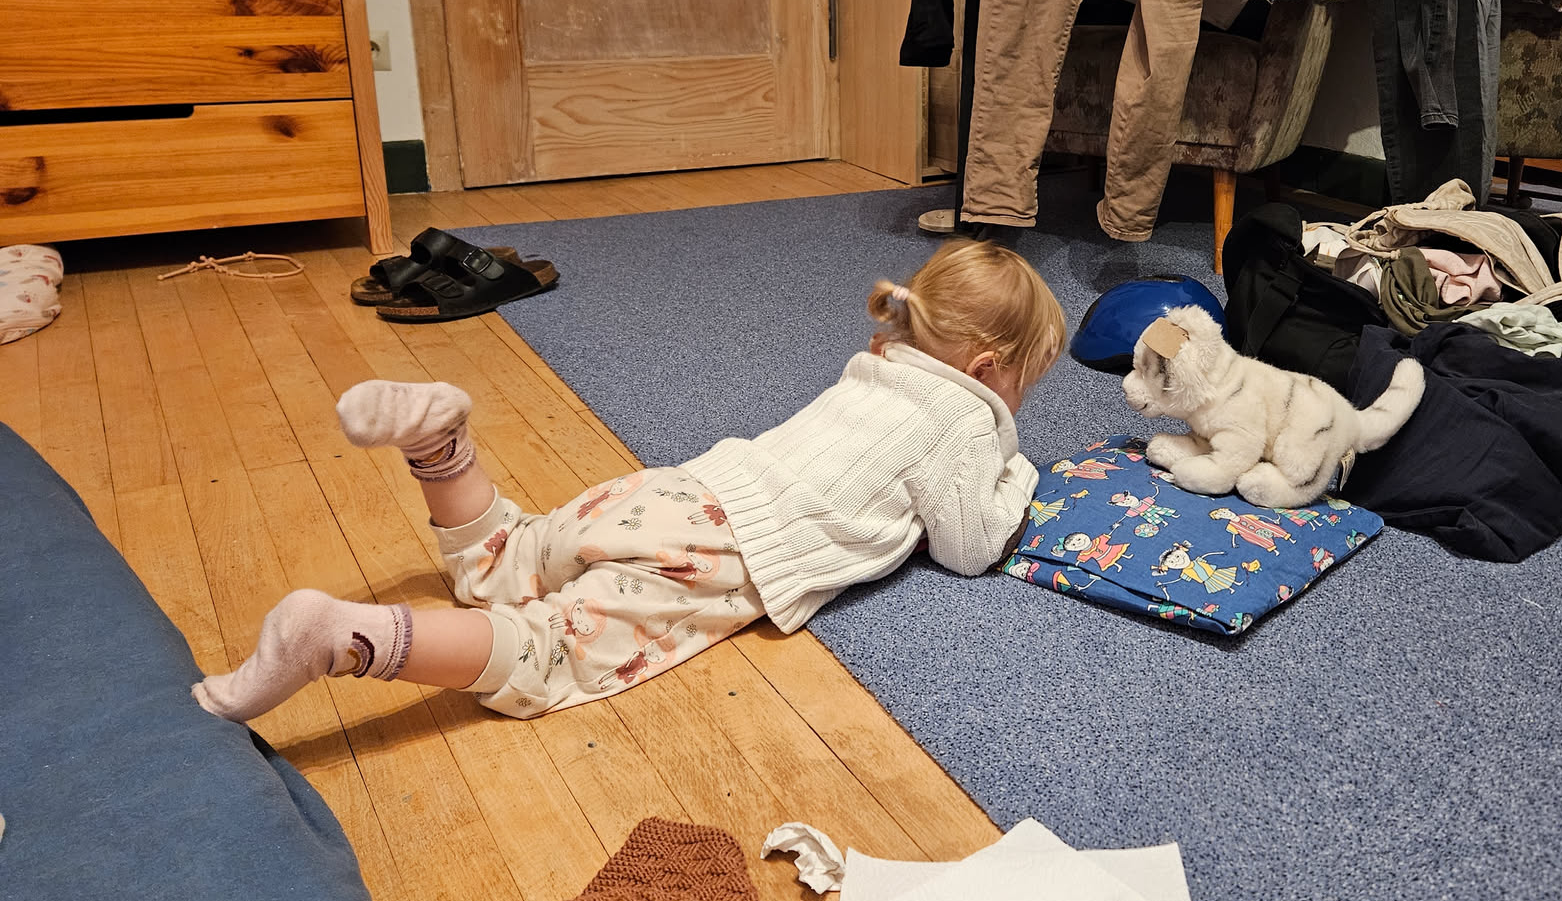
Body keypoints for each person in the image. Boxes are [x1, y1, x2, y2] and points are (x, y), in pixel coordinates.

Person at [192, 240, 1064, 722]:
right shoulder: (965, 417)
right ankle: (345, 637)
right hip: (719, 558)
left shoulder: (873, 364)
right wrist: (1011, 460)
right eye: (1025, 384)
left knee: (506, 559)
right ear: (987, 368)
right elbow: (969, 546)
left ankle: (441, 446)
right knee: (545, 653)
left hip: (676, 491)